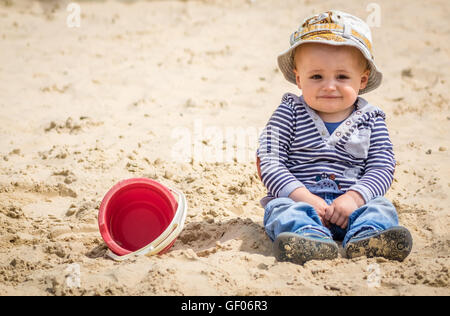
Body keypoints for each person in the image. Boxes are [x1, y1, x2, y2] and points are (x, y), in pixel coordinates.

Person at [256, 10, 413, 265]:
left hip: (352, 206)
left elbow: (382, 166)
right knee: (279, 209)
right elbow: (270, 160)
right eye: (316, 76)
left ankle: (367, 237)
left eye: (342, 76)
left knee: (381, 207)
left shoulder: (372, 118)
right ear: (298, 78)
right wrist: (303, 197)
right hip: (301, 202)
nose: (329, 86)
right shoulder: (289, 111)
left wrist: (354, 198)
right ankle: (308, 238)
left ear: (362, 80)